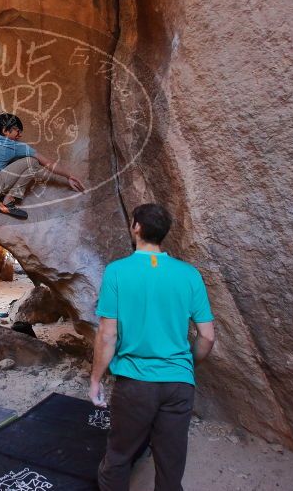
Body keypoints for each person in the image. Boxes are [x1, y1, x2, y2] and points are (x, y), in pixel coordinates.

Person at [89, 203, 216, 491]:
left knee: (119, 458)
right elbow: (207, 337)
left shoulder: (117, 272)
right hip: (178, 384)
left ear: (136, 227)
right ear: (164, 233)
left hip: (135, 383)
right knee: (171, 468)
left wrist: (96, 379)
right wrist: (185, 366)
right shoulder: (190, 275)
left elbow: (108, 334)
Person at [0, 112, 85, 307]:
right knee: (32, 162)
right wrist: (69, 175)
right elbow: (46, 163)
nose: (19, 135)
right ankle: (8, 202)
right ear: (6, 130)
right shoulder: (15, 146)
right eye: (17, 131)